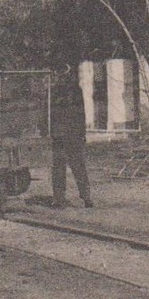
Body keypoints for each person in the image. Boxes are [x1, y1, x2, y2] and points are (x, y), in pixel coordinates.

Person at [47, 61, 93, 208]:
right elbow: (81, 114)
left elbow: (80, 113)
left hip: (64, 134)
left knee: (64, 167)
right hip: (68, 134)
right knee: (71, 166)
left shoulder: (55, 91)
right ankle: (83, 198)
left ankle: (63, 199)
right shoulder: (70, 90)